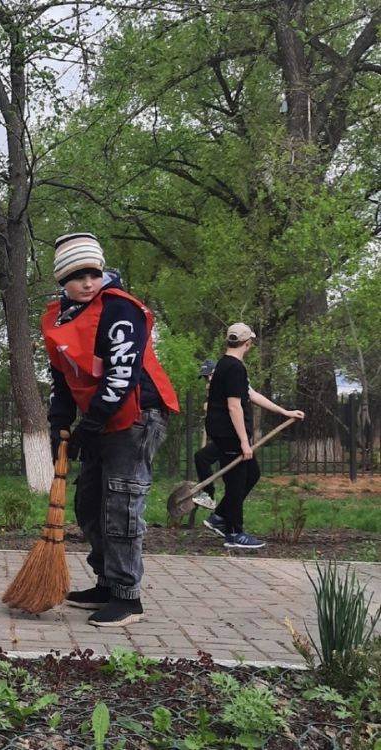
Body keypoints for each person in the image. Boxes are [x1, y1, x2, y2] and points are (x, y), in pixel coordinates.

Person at [43, 233, 180, 627]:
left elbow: (122, 374)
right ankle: (105, 582)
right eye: (77, 275)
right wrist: (58, 425)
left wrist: (90, 423)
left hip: (136, 414)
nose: (88, 283)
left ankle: (126, 596)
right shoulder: (58, 318)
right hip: (100, 419)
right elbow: (62, 380)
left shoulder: (120, 310)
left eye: (94, 273)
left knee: (121, 504)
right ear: (62, 280)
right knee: (90, 504)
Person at [201, 323, 304, 549]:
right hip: (230, 435)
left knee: (252, 474)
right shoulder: (234, 367)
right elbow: (234, 406)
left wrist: (283, 411)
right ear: (247, 344)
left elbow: (251, 394)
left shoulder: (225, 365)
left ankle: (219, 517)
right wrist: (244, 442)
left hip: (226, 433)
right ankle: (234, 533)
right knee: (236, 482)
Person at [191, 359, 219, 511]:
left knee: (201, 458)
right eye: (205, 377)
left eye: (210, 375)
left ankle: (208, 495)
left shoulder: (224, 387)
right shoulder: (212, 390)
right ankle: (223, 516)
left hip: (231, 438)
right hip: (223, 437)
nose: (208, 380)